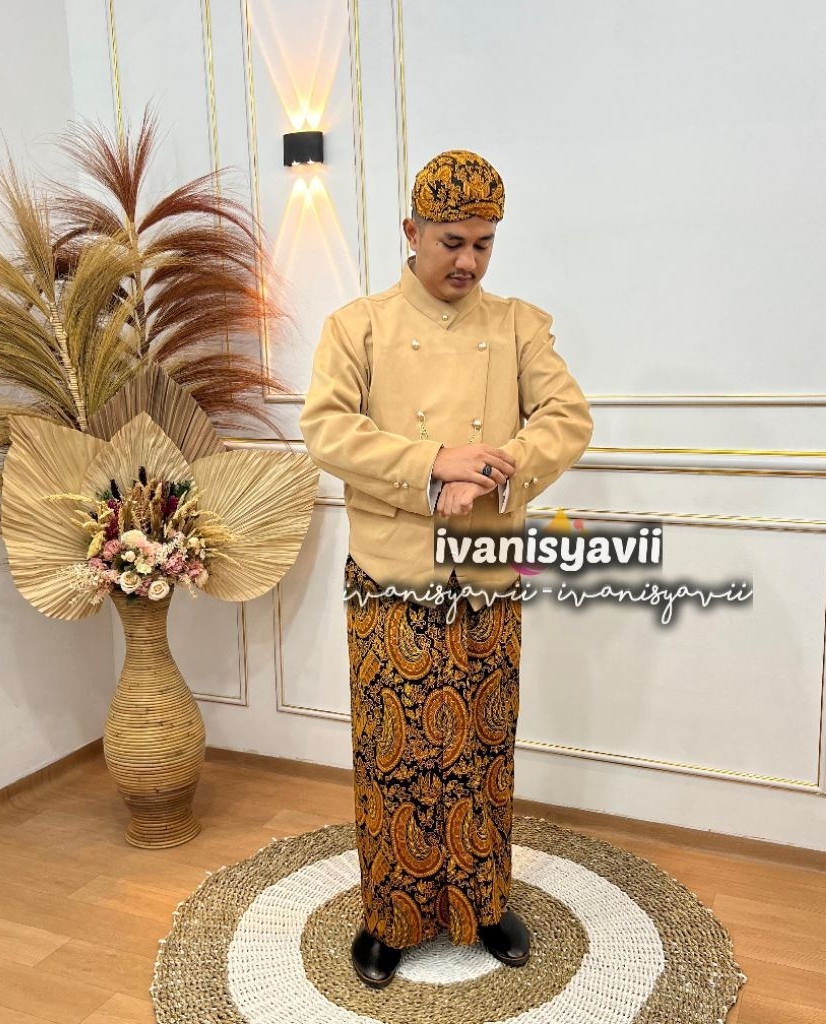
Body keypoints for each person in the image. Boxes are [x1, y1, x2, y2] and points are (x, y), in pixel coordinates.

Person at [299, 149, 593, 988]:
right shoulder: (356, 327)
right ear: (412, 230)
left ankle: (483, 905)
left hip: (487, 575)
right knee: (393, 759)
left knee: (485, 748)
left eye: (484, 244)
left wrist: (490, 467)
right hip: (391, 574)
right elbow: (327, 430)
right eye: (452, 242)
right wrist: (432, 465)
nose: (468, 261)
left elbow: (568, 418)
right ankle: (389, 919)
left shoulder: (519, 325)